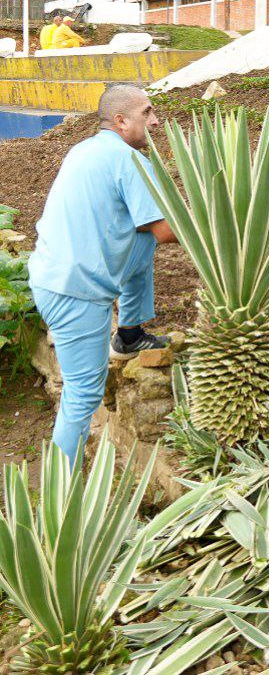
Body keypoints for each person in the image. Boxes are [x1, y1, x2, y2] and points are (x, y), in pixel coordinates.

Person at [28, 84, 176, 465]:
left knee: (140, 239)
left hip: (50, 273)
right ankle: (61, 499)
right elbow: (168, 231)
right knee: (83, 393)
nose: (156, 120)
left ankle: (129, 334)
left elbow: (145, 230)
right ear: (122, 120)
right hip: (75, 291)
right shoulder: (130, 161)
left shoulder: (85, 150)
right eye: (148, 112)